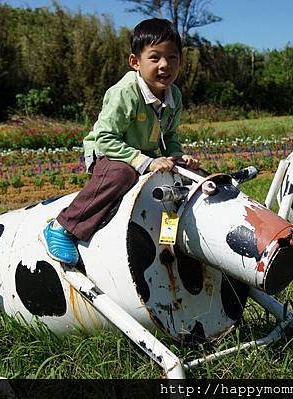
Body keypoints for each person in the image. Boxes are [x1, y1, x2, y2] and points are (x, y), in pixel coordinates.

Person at [40, 18, 198, 265]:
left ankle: (171, 239)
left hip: (144, 155)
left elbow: (170, 135)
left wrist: (178, 156)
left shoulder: (173, 95)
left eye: (173, 58)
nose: (165, 65)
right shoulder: (125, 92)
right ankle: (64, 227)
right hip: (109, 153)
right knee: (122, 175)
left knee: (184, 177)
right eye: (155, 58)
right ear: (135, 62)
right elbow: (105, 138)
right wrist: (144, 161)